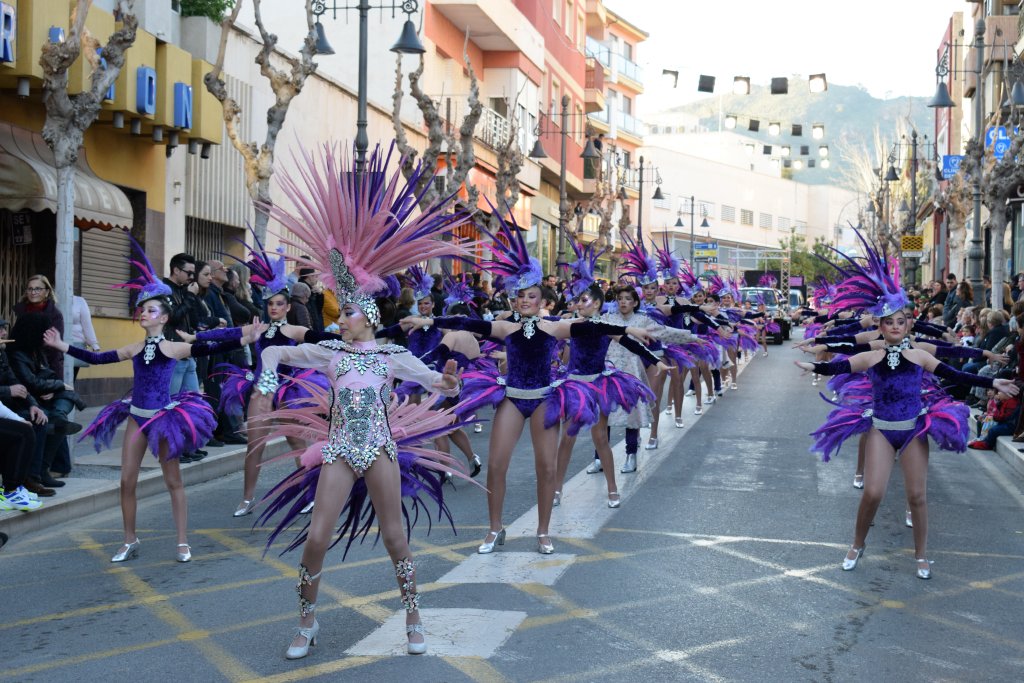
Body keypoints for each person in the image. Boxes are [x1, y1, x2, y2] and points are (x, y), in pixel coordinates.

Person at [250, 144, 470, 659]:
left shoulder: (391, 356)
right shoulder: (329, 353)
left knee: (396, 538)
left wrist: (452, 383)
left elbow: (438, 384)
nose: (339, 317)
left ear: (366, 315)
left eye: (346, 311)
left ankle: (413, 615)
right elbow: (279, 350)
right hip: (339, 451)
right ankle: (306, 623)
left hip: (381, 449)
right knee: (316, 538)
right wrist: (264, 379)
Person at [410, 212, 653, 556]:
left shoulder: (555, 327)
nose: (524, 301)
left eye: (531, 296)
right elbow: (466, 322)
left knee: (547, 466)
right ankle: (495, 529)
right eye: (519, 296)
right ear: (513, 299)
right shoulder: (505, 327)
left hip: (544, 399)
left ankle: (542, 531)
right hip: (512, 397)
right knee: (496, 465)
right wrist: (428, 319)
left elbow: (593, 327)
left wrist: (629, 330)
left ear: (542, 301)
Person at [796, 231, 1019, 579]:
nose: (896, 327)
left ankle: (921, 555)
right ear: (881, 326)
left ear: (908, 324)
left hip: (913, 428)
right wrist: (816, 361)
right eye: (889, 322)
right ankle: (856, 543)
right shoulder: (872, 353)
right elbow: (842, 362)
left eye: (901, 322)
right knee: (872, 492)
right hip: (882, 429)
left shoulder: (918, 353)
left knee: (917, 497)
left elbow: (954, 369)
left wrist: (992, 380)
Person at [44, 238, 261, 563]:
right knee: (126, 480)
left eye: (151, 310)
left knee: (173, 480)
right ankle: (129, 539)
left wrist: (244, 336)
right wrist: (63, 346)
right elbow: (98, 357)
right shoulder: (134, 348)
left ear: (162, 318)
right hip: (136, 416)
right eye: (142, 309)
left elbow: (210, 346)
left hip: (163, 419)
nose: (144, 313)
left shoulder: (172, 347)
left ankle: (182, 541)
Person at [14, 274, 65, 381]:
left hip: (45, 369)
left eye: (38, 289)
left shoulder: (54, 315)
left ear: (47, 292)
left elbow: (55, 351)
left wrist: (53, 382)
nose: (33, 292)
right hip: (21, 368)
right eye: (30, 289)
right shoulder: (21, 311)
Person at [969, 384, 1021, 450]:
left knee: (993, 430)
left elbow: (1005, 416)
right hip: (1003, 423)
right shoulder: (1005, 401)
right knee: (983, 422)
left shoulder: (1012, 402)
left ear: (1008, 394)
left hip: (1010, 426)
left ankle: (987, 445)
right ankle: (981, 439)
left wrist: (994, 417)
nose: (998, 393)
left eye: (1000, 392)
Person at [70, 294, 100, 381]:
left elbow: (87, 324)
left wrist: (94, 345)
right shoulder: (52, 300)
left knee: (71, 380)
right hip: (55, 345)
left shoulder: (79, 301)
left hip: (75, 346)